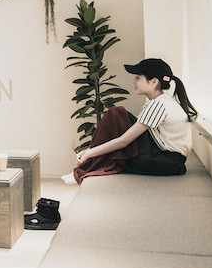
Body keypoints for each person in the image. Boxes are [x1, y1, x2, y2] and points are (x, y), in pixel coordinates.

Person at [64, 58, 198, 185]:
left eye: (138, 78)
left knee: (115, 114)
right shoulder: (161, 101)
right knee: (117, 115)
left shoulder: (159, 104)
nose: (134, 81)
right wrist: (89, 150)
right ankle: (85, 169)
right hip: (168, 160)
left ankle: (83, 169)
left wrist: (89, 153)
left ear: (154, 82)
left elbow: (124, 141)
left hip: (166, 162)